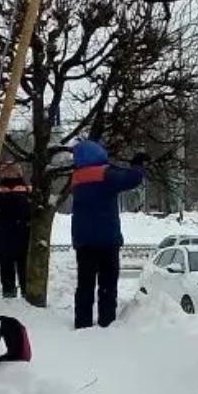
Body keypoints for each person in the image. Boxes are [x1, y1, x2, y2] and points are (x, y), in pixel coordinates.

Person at [70, 141, 146, 329]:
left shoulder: (77, 177)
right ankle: (106, 322)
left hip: (84, 241)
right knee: (107, 285)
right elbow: (131, 180)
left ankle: (82, 322)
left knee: (85, 285)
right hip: (107, 240)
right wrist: (138, 165)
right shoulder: (105, 175)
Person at [0, 164, 32, 299]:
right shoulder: (26, 189)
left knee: (8, 268)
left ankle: (11, 295)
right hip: (21, 234)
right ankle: (23, 295)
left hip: (5, 234)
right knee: (22, 268)